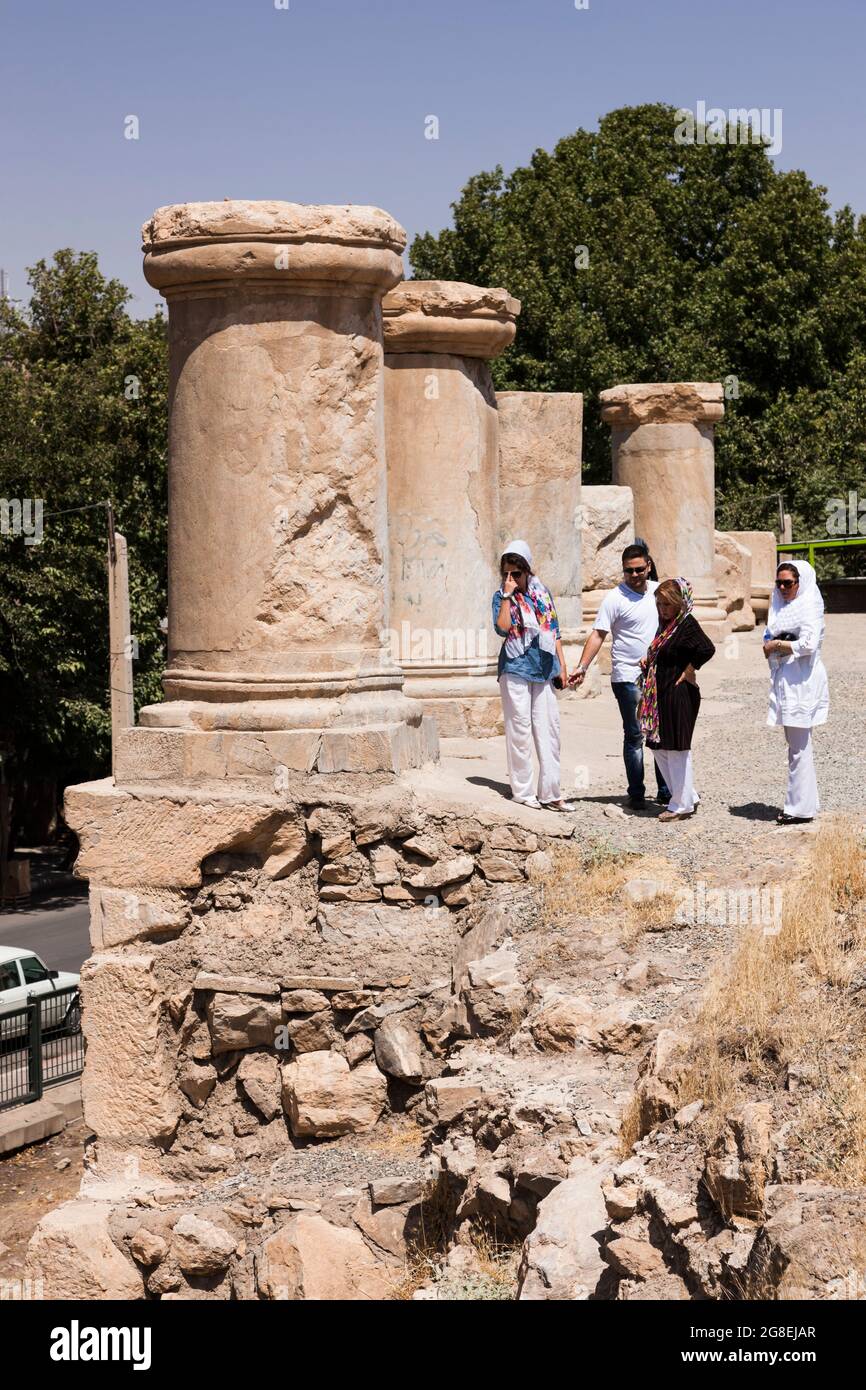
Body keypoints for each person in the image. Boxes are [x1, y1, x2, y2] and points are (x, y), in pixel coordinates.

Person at [568, 541, 671, 810]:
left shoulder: (659, 593)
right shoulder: (615, 598)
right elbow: (599, 633)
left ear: (648, 566)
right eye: (629, 571)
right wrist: (582, 666)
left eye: (639, 569)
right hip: (627, 676)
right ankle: (636, 793)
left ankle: (666, 790)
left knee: (660, 734)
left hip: (657, 674)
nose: (635, 575)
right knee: (635, 734)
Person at [492, 540, 575, 811]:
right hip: (515, 667)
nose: (511, 578)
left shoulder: (542, 594)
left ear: (527, 571)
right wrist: (507, 595)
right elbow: (503, 629)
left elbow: (555, 631)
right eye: (506, 573)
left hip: (544, 667)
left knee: (549, 730)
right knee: (519, 729)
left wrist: (562, 666)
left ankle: (550, 793)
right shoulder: (501, 597)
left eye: (516, 573)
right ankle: (523, 791)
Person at [638, 577, 715, 822]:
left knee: (677, 748)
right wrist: (649, 660)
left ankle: (681, 805)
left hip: (679, 693)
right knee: (658, 747)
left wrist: (691, 669)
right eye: (659, 604)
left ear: (680, 603)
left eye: (667, 605)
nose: (662, 609)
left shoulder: (686, 624)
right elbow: (664, 651)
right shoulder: (667, 625)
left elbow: (706, 648)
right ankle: (686, 794)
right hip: (659, 695)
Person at [763, 559, 829, 825]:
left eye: (788, 583)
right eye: (779, 583)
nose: (782, 588)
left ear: (800, 583)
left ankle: (798, 809)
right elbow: (770, 633)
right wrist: (772, 644)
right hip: (785, 678)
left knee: (799, 747)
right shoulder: (780, 605)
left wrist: (779, 643)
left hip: (802, 680)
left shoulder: (810, 604)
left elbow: (810, 643)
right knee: (796, 745)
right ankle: (806, 804)